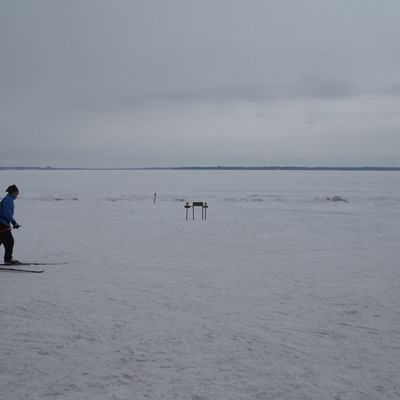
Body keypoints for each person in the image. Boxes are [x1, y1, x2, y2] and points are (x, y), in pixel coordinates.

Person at [0, 185, 21, 264]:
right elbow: (6, 212)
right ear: (13, 193)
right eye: (17, 193)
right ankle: (8, 260)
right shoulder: (8, 200)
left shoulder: (8, 199)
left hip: (3, 223)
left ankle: (8, 259)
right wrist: (13, 222)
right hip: (2, 224)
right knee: (9, 241)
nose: (17, 195)